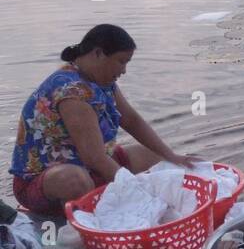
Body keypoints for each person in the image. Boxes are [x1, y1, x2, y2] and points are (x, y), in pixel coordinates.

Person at [9, 24, 199, 217]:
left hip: (89, 168)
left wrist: (171, 156)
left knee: (153, 156)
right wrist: (139, 195)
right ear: (98, 53)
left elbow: (132, 120)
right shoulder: (71, 93)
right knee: (76, 180)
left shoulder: (103, 83)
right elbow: (95, 158)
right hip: (46, 182)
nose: (124, 70)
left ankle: (114, 201)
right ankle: (82, 224)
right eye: (121, 61)